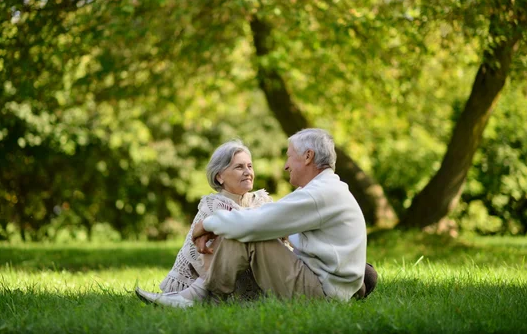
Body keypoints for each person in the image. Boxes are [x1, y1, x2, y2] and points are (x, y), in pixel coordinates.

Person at [136, 128, 377, 308]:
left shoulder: (320, 194)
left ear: (307, 157)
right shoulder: (323, 190)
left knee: (248, 233)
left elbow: (256, 222)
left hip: (322, 293)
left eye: (289, 156)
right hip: (325, 285)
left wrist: (206, 225)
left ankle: (201, 297)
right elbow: (264, 218)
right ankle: (199, 295)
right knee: (246, 229)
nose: (285, 166)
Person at [136, 140, 272, 304]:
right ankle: (188, 297)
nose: (247, 172)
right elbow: (201, 257)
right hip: (219, 283)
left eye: (249, 166)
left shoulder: (262, 201)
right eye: (239, 167)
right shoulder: (213, 205)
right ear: (219, 176)